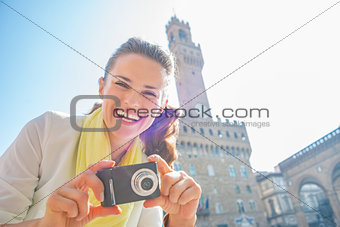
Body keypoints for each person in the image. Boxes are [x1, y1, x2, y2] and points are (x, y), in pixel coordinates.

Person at [0, 37, 201, 227]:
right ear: (101, 88)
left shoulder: (147, 172)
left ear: (161, 107)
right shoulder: (45, 131)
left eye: (149, 93)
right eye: (121, 84)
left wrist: (183, 220)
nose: (132, 102)